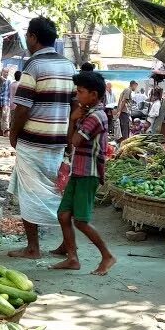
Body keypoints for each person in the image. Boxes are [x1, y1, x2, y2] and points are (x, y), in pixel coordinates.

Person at [8, 16, 77, 259]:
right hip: (57, 142)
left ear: (34, 37)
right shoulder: (69, 66)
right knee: (54, 192)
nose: (26, 38)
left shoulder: (33, 66)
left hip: (33, 141)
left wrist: (13, 135)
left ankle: (33, 248)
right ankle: (67, 245)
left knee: (30, 194)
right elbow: (75, 108)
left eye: (27, 34)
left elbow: (23, 107)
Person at [49, 70, 117, 276]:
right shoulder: (86, 114)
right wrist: (73, 120)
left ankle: (107, 256)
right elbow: (71, 141)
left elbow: (76, 141)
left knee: (80, 220)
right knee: (63, 215)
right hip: (78, 170)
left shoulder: (96, 115)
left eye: (80, 92)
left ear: (94, 95)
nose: (77, 96)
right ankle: (72, 258)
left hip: (89, 173)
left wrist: (73, 118)